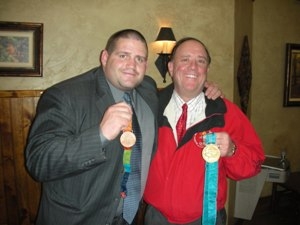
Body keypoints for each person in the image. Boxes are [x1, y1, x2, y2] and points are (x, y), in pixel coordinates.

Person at [25, 29, 222, 225]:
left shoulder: (148, 90)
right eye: (123, 55)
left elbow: (182, 89)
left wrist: (201, 86)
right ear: (105, 57)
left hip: (129, 218)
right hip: (78, 219)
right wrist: (99, 135)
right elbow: (38, 162)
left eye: (140, 59)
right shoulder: (66, 96)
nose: (131, 65)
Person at [143, 37, 265, 225]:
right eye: (185, 59)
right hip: (156, 217)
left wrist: (233, 150)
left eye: (201, 61)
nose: (193, 67)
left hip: (205, 219)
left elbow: (254, 164)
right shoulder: (151, 107)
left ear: (206, 70)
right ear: (171, 67)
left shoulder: (225, 112)